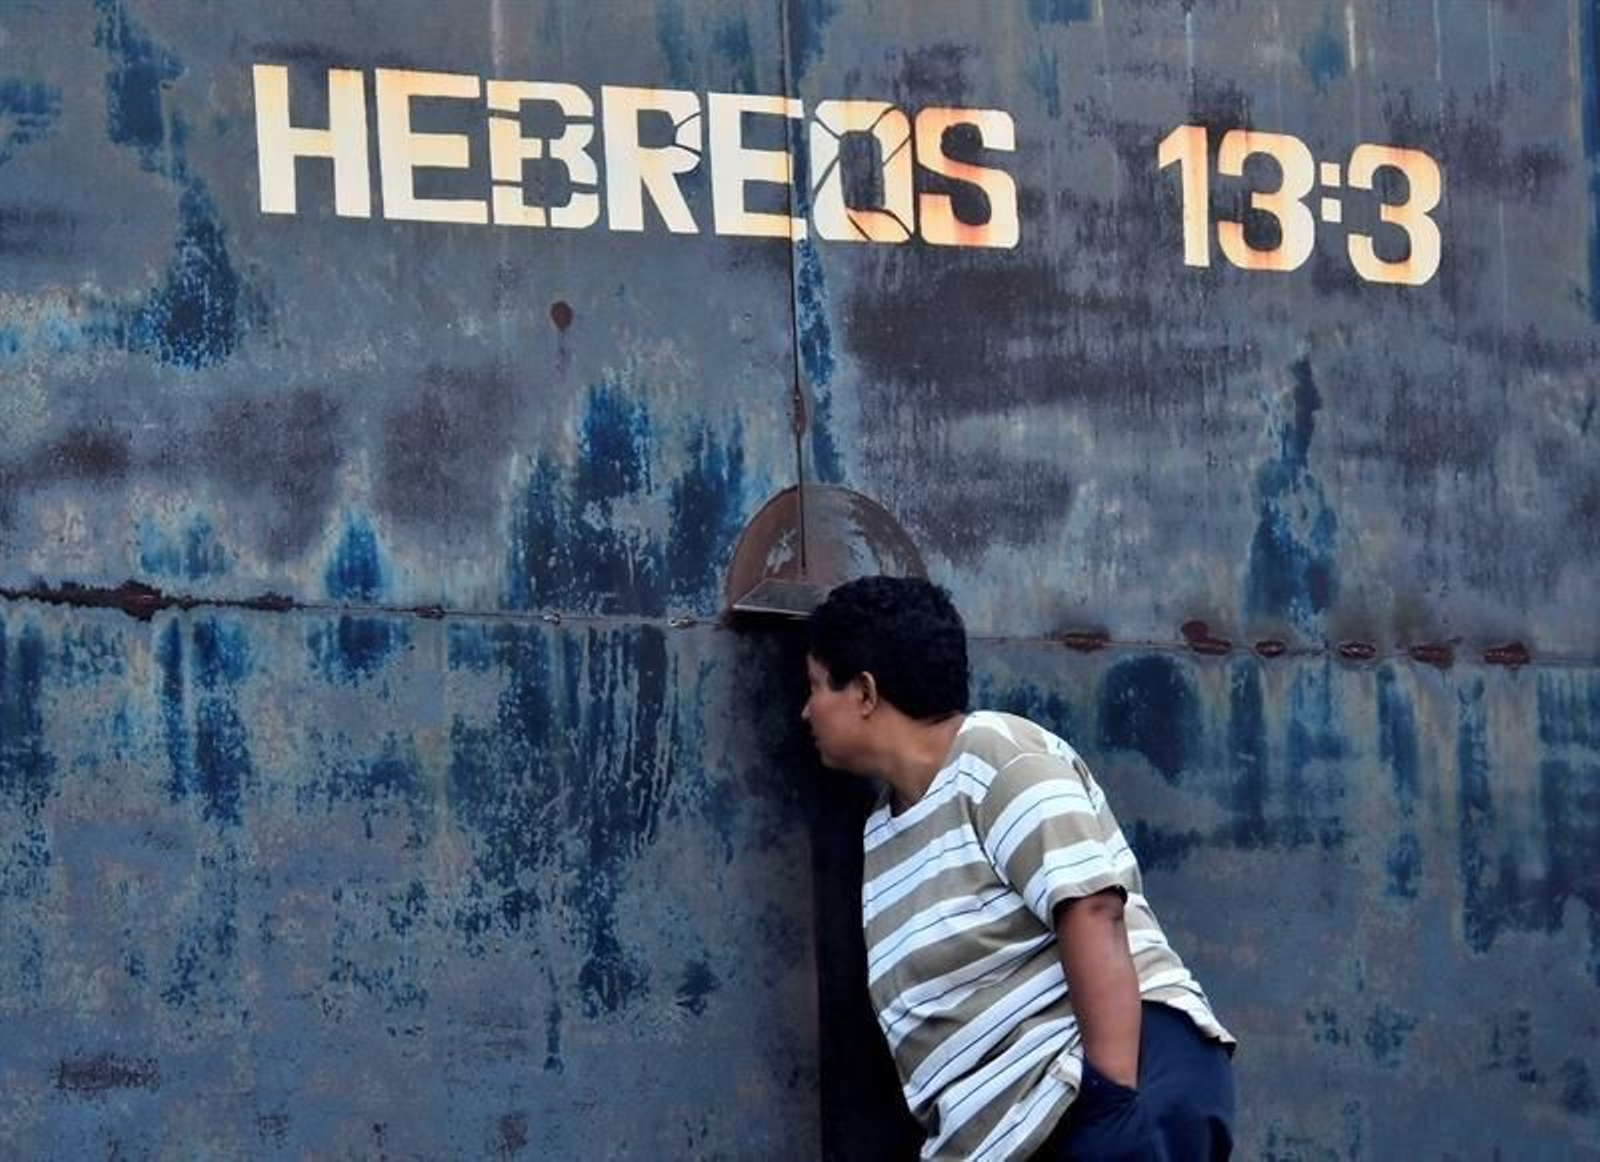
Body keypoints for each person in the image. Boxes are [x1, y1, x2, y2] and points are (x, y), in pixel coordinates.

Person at [803, 576, 1235, 1161]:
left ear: (865, 692)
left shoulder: (995, 754)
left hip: (1099, 1088)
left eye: (814, 686)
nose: (806, 711)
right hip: (1025, 1131)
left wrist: (1113, 1101)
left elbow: (1091, 906)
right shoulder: (884, 829)